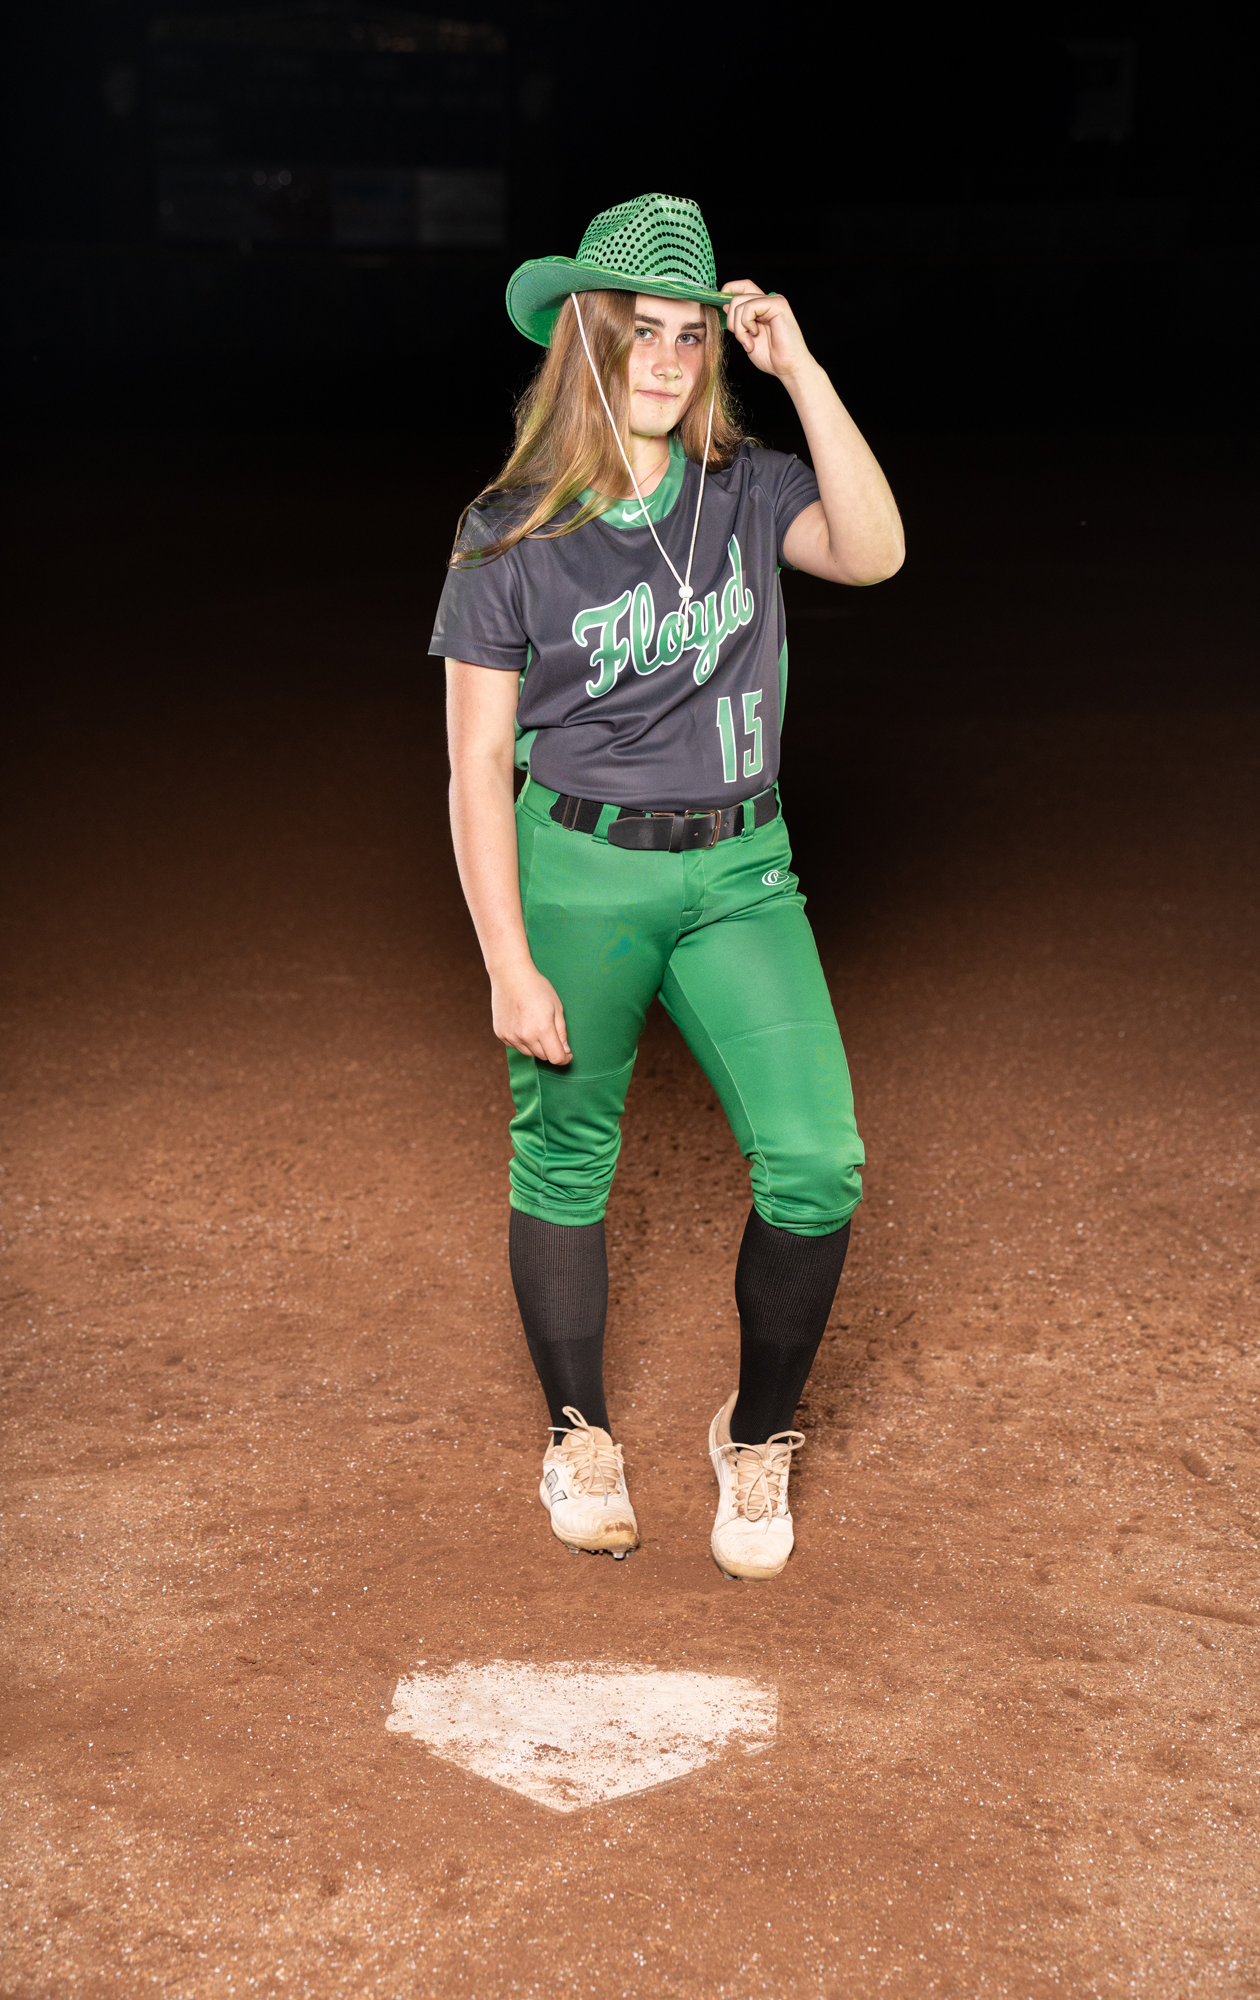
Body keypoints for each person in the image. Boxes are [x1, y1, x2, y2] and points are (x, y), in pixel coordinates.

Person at [431, 192, 903, 1580]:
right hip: (579, 872)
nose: (668, 359)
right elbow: (474, 766)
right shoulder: (509, 529)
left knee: (815, 1161)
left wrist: (798, 369)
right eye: (640, 331)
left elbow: (873, 552)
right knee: (565, 1154)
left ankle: (754, 1437)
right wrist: (507, 959)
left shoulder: (748, 490)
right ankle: (578, 1432)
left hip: (743, 872)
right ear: (586, 338)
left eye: (690, 336)